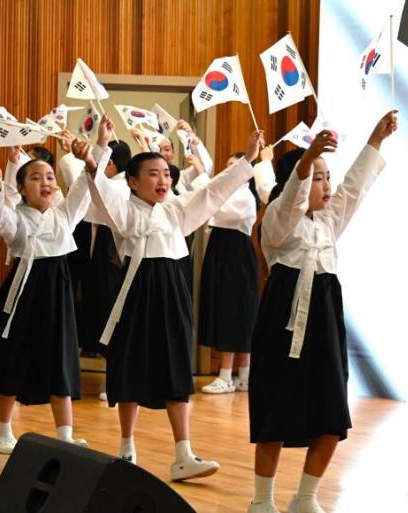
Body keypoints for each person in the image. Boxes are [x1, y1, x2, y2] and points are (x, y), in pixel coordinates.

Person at [90, 115, 263, 481]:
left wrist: (248, 160)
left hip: (173, 293)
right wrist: (100, 148)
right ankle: (126, 448)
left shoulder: (177, 209)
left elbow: (213, 192)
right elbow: (100, 190)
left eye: (166, 174)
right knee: (128, 367)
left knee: (176, 367)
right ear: (133, 181)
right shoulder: (124, 210)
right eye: (153, 174)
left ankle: (183, 454)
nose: (163, 180)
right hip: (134, 293)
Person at [246, 111, 398, 513]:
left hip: (325, 321)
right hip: (282, 323)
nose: (327, 185)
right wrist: (307, 159)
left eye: (327, 176)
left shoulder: (329, 222)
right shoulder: (277, 222)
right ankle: (262, 501)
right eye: (318, 177)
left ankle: (306, 497)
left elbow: (355, 187)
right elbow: (291, 202)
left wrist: (375, 140)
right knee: (275, 411)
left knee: (333, 414)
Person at [0, 140, 107, 454]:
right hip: (23, 291)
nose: (45, 182)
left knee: (60, 356)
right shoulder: (16, 218)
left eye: (49, 177)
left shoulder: (63, 215)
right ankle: (1, 429)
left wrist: (96, 152)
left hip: (57, 292)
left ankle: (65, 434)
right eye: (35, 178)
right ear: (22, 189)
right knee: (14, 355)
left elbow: (83, 189)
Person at [197, 148, 275, 394]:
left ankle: (226, 376)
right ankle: (243, 376)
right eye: (227, 166)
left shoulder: (244, 195)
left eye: (234, 166)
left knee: (234, 312)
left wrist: (201, 175)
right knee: (230, 310)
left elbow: (215, 206)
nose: (228, 170)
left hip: (235, 255)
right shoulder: (231, 191)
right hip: (222, 251)